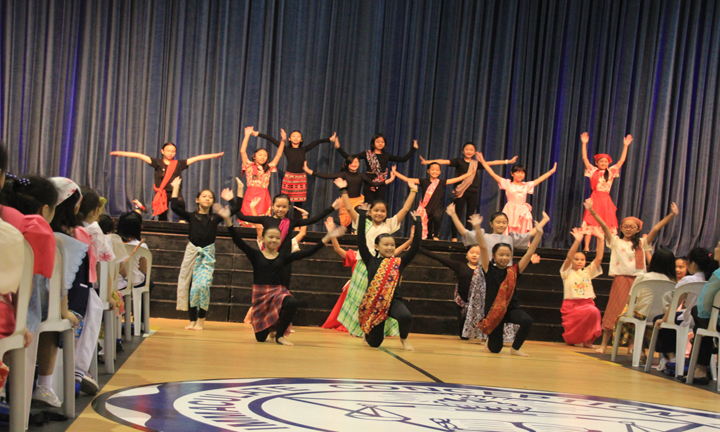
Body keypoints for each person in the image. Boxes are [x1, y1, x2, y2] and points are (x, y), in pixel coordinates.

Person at [220, 207, 345, 345]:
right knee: (261, 339)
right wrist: (227, 220)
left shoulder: (283, 257)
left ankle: (280, 336)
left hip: (278, 293)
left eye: (277, 238)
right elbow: (238, 240)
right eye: (271, 237)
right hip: (261, 296)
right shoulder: (255, 255)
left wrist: (328, 237)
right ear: (263, 238)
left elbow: (308, 252)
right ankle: (270, 327)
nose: (274, 240)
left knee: (292, 302)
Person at [584, 198, 679, 353]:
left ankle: (633, 345)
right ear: (621, 228)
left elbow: (656, 228)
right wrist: (592, 211)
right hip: (621, 279)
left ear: (637, 229)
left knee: (638, 312)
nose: (628, 229)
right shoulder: (615, 241)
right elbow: (604, 226)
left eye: (632, 227)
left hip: (639, 281)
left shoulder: (642, 243)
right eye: (625, 226)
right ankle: (604, 344)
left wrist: (671, 215)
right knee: (614, 310)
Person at [447, 205, 546, 342]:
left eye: (504, 222)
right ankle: (484, 333)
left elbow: (530, 236)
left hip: (505, 275)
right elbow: (465, 233)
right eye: (498, 222)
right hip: (486, 273)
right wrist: (453, 215)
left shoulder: (510, 238)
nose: (501, 224)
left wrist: (543, 222)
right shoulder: (484, 236)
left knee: (502, 304)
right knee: (483, 304)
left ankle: (500, 335)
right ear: (491, 223)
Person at [334, 178, 418, 337]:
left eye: (383, 211)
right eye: (376, 210)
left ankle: (379, 330)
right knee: (359, 298)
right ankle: (357, 329)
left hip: (384, 267)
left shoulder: (389, 224)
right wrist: (344, 190)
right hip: (364, 265)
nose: (379, 213)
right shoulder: (362, 222)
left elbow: (405, 209)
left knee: (382, 299)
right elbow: (349, 208)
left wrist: (413, 191)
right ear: (370, 212)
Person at [171, 176, 244, 330]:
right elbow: (175, 208)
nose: (207, 199)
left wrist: (239, 190)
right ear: (197, 200)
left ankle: (201, 320)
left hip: (207, 255)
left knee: (203, 286)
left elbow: (236, 209)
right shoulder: (191, 216)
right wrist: (175, 188)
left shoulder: (215, 218)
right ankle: (192, 320)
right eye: (204, 196)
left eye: (210, 197)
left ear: (213, 202)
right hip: (192, 252)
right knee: (192, 287)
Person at [321, 218, 414, 332]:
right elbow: (338, 249)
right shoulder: (358, 256)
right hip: (359, 292)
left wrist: (411, 240)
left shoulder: (383, 259)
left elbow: (394, 252)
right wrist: (332, 235)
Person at [237, 192, 340, 289]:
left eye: (284, 207)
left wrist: (332, 208)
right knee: (265, 291)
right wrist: (237, 196)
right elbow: (241, 216)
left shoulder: (290, 222)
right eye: (278, 206)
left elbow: (313, 220)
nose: (280, 209)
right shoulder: (265, 220)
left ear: (289, 207)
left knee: (283, 292)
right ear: (272, 206)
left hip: (284, 263)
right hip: (267, 262)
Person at [474, 213, 544, 356]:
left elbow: (529, 253)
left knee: (527, 321)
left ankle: (515, 348)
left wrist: (538, 235)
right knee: (495, 349)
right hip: (494, 313)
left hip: (510, 309)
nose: (504, 258)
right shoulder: (489, 269)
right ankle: (491, 340)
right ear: (494, 256)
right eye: (501, 255)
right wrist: (476, 227)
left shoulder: (513, 271)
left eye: (507, 255)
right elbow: (483, 247)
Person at [356, 204, 422, 350]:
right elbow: (360, 239)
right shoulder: (370, 260)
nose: (390, 248)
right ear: (377, 247)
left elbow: (416, 246)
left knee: (405, 317)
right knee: (375, 344)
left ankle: (404, 339)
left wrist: (418, 222)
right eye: (386, 245)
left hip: (393, 301)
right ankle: (367, 332)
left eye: (392, 245)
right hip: (374, 304)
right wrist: (362, 216)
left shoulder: (398, 262)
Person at [420, 144, 515, 241]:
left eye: (471, 150)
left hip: (473, 191)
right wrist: (427, 162)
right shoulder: (458, 161)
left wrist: (508, 161)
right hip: (461, 191)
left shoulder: (475, 163)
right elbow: (443, 161)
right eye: (467, 149)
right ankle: (454, 238)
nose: (469, 151)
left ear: (474, 152)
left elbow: (491, 163)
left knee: (470, 216)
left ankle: (468, 238)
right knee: (457, 214)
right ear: (463, 151)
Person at [110, 143, 224, 221]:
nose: (170, 153)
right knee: (162, 214)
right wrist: (121, 153)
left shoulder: (179, 164)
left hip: (175, 192)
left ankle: (182, 221)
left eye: (173, 151)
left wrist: (214, 156)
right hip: (162, 192)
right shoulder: (157, 162)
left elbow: (197, 158)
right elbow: (140, 156)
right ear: (162, 151)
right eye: (168, 151)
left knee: (180, 203)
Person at [304, 136, 395, 227]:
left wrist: (389, 180)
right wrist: (310, 171)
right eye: (352, 162)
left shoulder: (361, 175)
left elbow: (374, 184)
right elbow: (327, 176)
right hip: (346, 202)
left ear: (359, 164)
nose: (354, 164)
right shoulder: (344, 174)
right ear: (347, 164)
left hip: (357, 202)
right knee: (345, 227)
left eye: (356, 162)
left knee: (362, 212)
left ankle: (366, 230)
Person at [652, 248, 716, 371]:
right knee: (675, 320)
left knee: (660, 320)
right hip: (706, 320)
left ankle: (672, 357)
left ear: (693, 264)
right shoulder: (710, 279)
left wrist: (663, 319)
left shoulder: (688, 280)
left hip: (691, 318)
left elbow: (675, 303)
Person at [254, 129, 336, 219]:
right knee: (285, 201)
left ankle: (296, 224)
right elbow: (271, 139)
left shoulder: (303, 149)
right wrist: (257, 134)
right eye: (293, 136)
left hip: (301, 178)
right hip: (289, 177)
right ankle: (283, 222)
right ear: (289, 138)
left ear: (301, 139)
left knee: (298, 204)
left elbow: (316, 142)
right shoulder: (286, 149)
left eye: (298, 136)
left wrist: (329, 139)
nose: (296, 138)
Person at [476, 152, 557, 234]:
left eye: (522, 173)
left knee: (525, 222)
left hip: (523, 210)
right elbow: (492, 174)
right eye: (518, 172)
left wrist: (551, 171)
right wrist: (482, 161)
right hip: (510, 209)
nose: (520, 175)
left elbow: (540, 179)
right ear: (512, 173)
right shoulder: (507, 183)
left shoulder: (526, 185)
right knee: (509, 226)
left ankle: (522, 241)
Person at [579, 132, 633, 250]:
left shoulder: (611, 171)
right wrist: (584, 144)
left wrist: (626, 146)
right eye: (601, 161)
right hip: (595, 199)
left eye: (605, 162)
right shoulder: (593, 170)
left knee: (603, 224)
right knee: (590, 221)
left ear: (608, 163)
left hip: (605, 201)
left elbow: (621, 161)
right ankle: (586, 247)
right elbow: (584, 158)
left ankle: (599, 248)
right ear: (597, 163)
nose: (603, 163)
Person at [391, 162, 471, 240]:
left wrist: (470, 173)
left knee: (437, 217)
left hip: (437, 207)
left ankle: (436, 236)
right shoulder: (423, 181)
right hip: (426, 209)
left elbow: (458, 179)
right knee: (428, 229)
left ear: (440, 172)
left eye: (437, 170)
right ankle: (429, 238)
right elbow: (407, 179)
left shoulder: (441, 182)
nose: (435, 172)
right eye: (432, 170)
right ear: (428, 171)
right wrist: (395, 172)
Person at [419, 244, 481, 339]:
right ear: (466, 255)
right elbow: (439, 258)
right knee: (463, 334)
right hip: (461, 301)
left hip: (477, 302)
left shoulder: (484, 270)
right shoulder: (460, 266)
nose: (474, 255)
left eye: (478, 253)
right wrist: (419, 249)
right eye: (472, 252)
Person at [335, 134, 418, 203]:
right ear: (373, 143)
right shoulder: (367, 154)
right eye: (378, 141)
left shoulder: (386, 155)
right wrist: (338, 147)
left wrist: (414, 149)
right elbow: (349, 157)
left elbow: (403, 159)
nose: (380, 144)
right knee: (369, 203)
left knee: (379, 203)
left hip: (381, 182)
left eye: (382, 142)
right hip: (369, 181)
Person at [560, 228, 605, 348]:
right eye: (577, 259)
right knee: (572, 335)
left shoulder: (587, 272)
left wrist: (601, 239)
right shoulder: (566, 272)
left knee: (593, 312)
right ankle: (572, 339)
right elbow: (569, 257)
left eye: (582, 260)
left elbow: (599, 258)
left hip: (586, 303)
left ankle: (587, 341)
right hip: (571, 305)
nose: (579, 262)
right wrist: (577, 241)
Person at [238, 126, 285, 230]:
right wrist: (247, 136)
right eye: (260, 155)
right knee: (248, 219)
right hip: (251, 195)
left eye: (265, 156)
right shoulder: (249, 165)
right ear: (254, 156)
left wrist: (283, 141)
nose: (263, 157)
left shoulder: (268, 168)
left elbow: (278, 155)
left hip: (263, 196)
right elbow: (242, 151)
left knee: (261, 222)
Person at [687, 240, 720, 384]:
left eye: (718, 246)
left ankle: (700, 369)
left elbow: (705, 305)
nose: (715, 249)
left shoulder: (718, 275)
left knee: (699, 317)